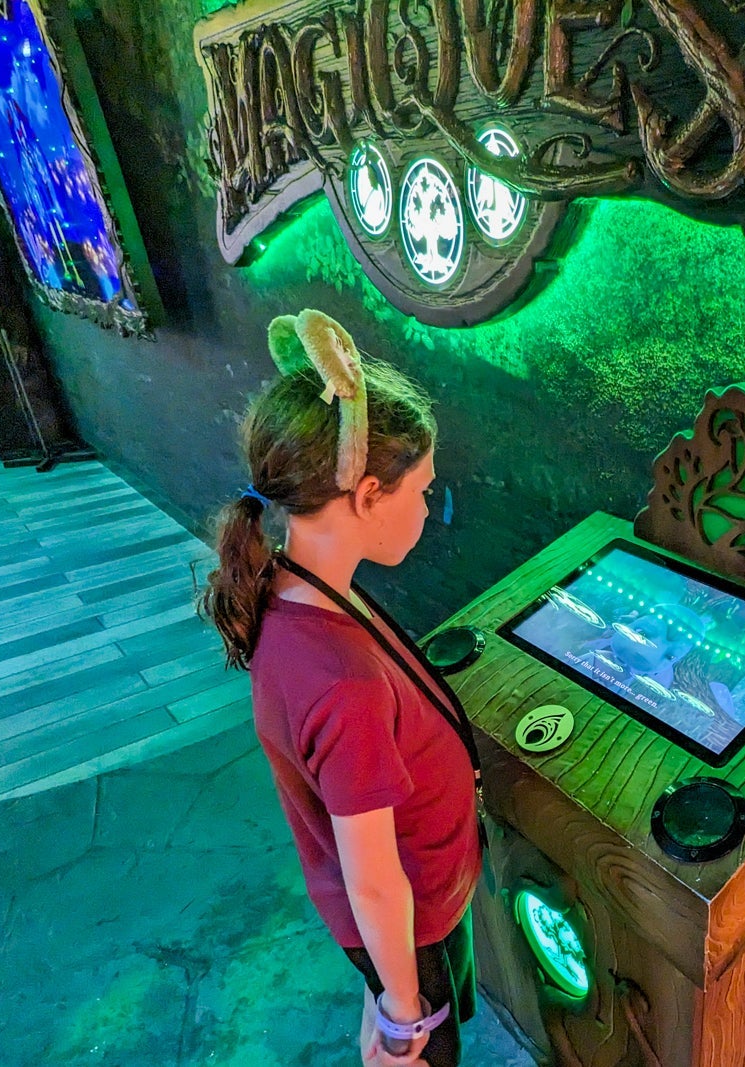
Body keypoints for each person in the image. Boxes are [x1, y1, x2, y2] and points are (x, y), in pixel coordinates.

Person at [201, 309, 483, 1067]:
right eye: (422, 489)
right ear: (365, 495)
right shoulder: (341, 682)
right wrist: (399, 1016)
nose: (428, 506)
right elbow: (377, 881)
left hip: (410, 912)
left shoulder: (297, 585)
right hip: (407, 922)